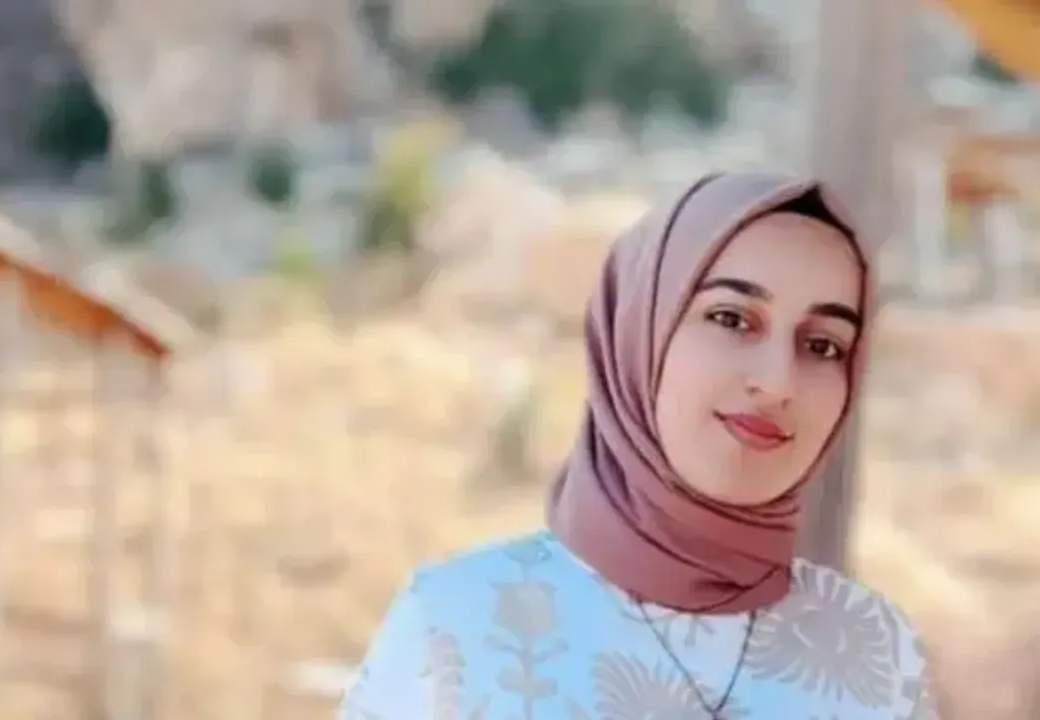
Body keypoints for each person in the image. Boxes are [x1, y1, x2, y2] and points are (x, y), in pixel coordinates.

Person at [339, 172, 938, 719]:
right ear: (637, 331)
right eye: (732, 319)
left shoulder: (876, 650)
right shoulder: (456, 628)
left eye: (823, 345)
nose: (778, 382)